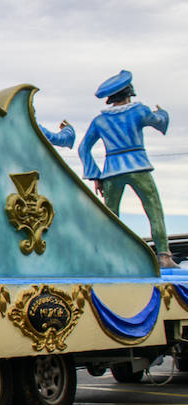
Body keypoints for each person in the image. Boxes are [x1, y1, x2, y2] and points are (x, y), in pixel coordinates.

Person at [77, 70, 174, 269]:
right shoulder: (139, 111)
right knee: (154, 210)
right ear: (129, 93)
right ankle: (163, 256)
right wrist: (162, 113)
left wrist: (96, 174)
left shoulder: (100, 121)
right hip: (139, 166)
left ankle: (109, 258)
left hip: (112, 171)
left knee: (110, 217)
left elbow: (83, 148)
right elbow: (159, 122)